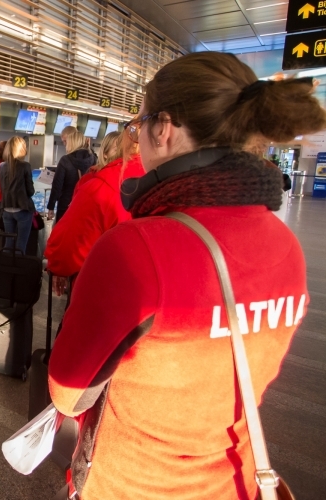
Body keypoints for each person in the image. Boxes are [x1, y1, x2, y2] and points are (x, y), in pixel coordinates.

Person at [48, 52, 325, 499]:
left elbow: (69, 395)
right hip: (235, 481)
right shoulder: (286, 246)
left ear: (163, 128)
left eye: (139, 123)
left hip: (132, 483)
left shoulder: (134, 249)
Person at [44, 131, 143, 295]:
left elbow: (70, 241)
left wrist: (58, 268)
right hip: (139, 287)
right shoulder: (153, 178)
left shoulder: (98, 187)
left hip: (99, 282)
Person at [47, 126, 96, 222]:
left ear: (71, 142)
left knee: (63, 234)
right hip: (86, 204)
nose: (65, 145)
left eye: (66, 142)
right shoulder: (94, 159)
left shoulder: (65, 160)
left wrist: (51, 207)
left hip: (66, 204)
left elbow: (57, 186)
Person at [0, 136, 34, 253]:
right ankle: (17, 269)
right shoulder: (25, 166)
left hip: (6, 209)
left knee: (8, 243)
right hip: (22, 209)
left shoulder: (1, 166)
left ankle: (6, 268)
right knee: (21, 244)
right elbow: (30, 191)